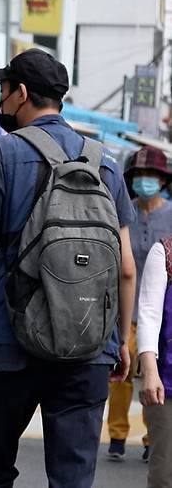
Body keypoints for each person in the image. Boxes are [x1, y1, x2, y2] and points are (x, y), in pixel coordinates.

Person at [0, 49, 136, 487]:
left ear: (21, 93)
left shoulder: (2, 153)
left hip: (10, 338)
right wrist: (120, 341)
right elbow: (126, 267)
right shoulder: (105, 161)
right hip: (89, 343)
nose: (0, 99)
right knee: (72, 476)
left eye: (2, 90)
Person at [107, 146, 172, 462]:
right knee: (120, 375)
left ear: (162, 180)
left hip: (162, 316)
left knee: (155, 374)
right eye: (140, 174)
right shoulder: (123, 213)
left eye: (152, 175)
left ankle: (150, 436)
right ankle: (117, 435)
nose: (145, 180)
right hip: (124, 312)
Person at [137, 236, 172, 488]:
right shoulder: (165, 252)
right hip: (168, 386)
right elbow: (149, 314)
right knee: (164, 474)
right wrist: (150, 371)